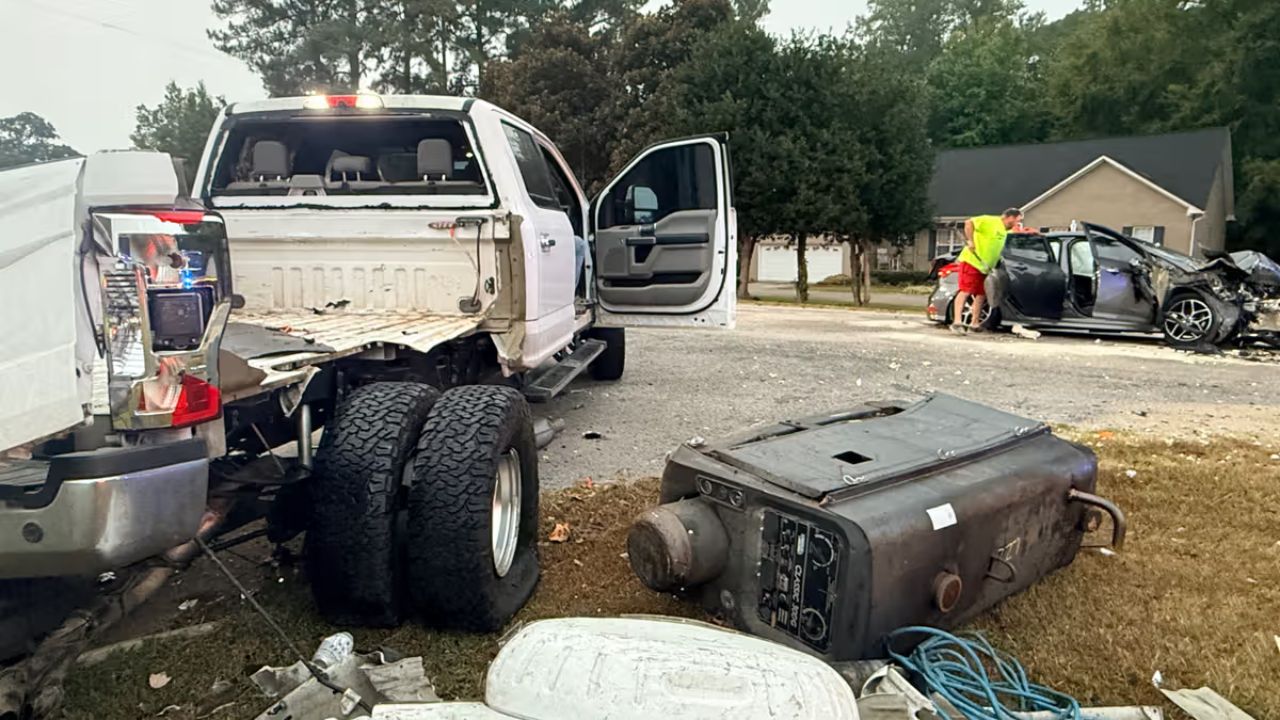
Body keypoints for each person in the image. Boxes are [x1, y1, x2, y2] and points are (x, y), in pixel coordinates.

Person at [951, 208, 1023, 334]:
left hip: (986, 267)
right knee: (966, 291)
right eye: (1018, 220)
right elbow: (969, 223)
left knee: (981, 294)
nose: (1018, 223)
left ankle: (974, 323)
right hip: (972, 262)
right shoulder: (990, 221)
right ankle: (957, 322)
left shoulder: (1006, 231)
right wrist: (970, 241)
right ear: (1010, 217)